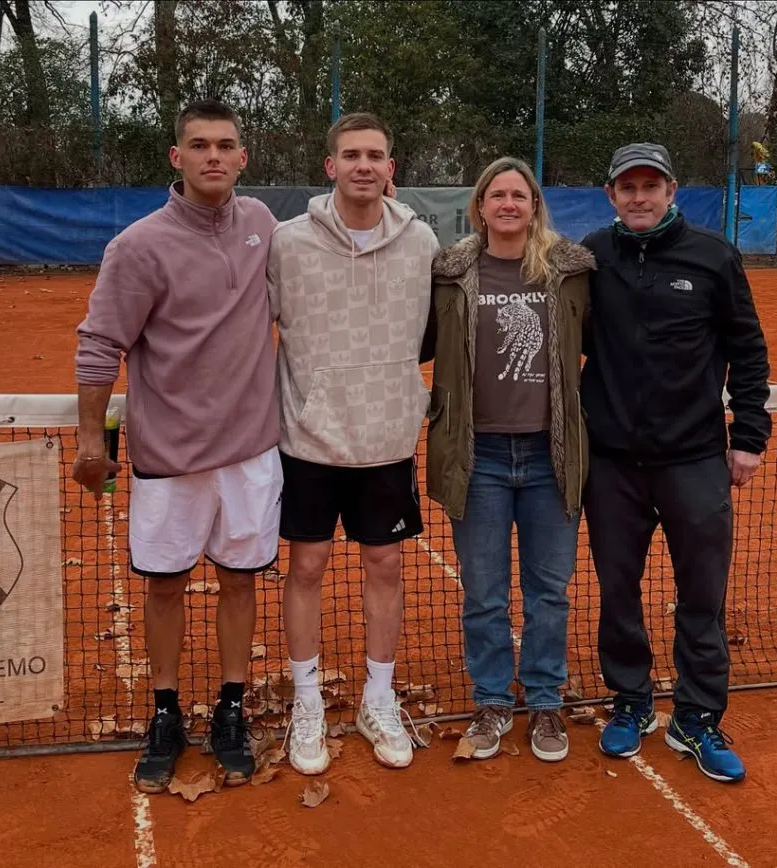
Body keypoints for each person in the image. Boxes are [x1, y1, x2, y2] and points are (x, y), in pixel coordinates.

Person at [73, 99, 282, 793]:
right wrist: (91, 441)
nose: (213, 156)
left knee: (238, 578)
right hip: (168, 455)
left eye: (226, 144)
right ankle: (165, 711)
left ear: (243, 157)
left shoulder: (260, 225)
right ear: (177, 157)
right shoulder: (137, 246)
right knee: (163, 585)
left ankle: (229, 708)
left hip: (250, 450)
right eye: (199, 145)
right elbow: (101, 344)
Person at [582, 143, 771, 783]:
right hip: (610, 465)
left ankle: (697, 717)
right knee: (618, 591)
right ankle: (630, 701)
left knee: (702, 596)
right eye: (626, 187)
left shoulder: (714, 257)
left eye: (650, 185)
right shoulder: (591, 258)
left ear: (671, 190)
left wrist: (747, 436)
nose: (638, 196)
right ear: (611, 195)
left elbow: (747, 351)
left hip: (695, 460)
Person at [268, 112, 439, 774]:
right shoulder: (287, 243)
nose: (363, 164)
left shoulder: (422, 242)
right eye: (351, 154)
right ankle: (307, 702)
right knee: (306, 568)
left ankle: (377, 697)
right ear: (330, 166)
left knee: (386, 568)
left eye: (376, 154)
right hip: (308, 442)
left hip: (388, 440)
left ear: (391, 169)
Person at [422, 157, 595, 762]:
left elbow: (603, 347)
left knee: (550, 591)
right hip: (480, 455)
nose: (508, 205)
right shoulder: (449, 273)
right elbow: (413, 341)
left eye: (519, 195)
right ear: (481, 206)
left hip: (553, 455)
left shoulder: (571, 273)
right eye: (497, 195)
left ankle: (546, 701)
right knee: (484, 592)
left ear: (534, 205)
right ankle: (493, 700)